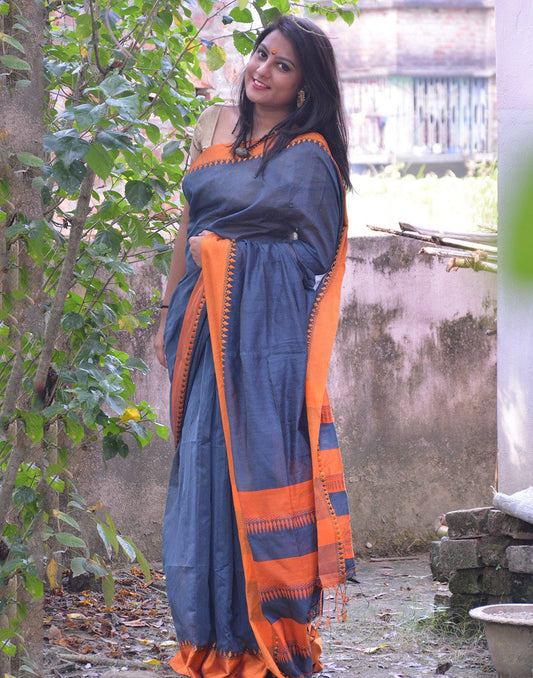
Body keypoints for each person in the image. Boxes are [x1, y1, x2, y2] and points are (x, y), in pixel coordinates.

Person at [154, 15, 355, 678]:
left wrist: (232, 261)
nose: (260, 70)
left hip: (264, 348)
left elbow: (315, 261)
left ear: (304, 87)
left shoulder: (309, 155)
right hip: (200, 331)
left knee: (264, 470)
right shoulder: (214, 123)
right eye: (259, 54)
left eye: (282, 65)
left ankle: (267, 638)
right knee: (204, 473)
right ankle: (213, 639)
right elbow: (191, 222)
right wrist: (168, 307)